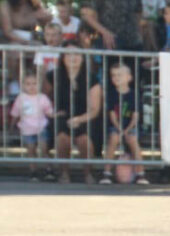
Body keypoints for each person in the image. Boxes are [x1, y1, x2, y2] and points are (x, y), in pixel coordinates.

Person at [51, 46, 101, 184]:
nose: (73, 57)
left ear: (83, 57)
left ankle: (88, 173)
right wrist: (53, 113)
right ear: (63, 58)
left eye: (77, 54)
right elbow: (43, 99)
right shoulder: (54, 76)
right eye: (69, 54)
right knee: (62, 137)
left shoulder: (92, 78)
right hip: (62, 117)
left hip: (85, 117)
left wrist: (79, 119)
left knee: (83, 139)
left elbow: (95, 109)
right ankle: (64, 173)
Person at [100, 62, 147, 185]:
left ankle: (140, 174)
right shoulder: (111, 94)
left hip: (131, 126)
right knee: (114, 138)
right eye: (113, 75)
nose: (116, 78)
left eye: (120, 75)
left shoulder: (134, 94)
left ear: (129, 77)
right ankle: (107, 173)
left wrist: (126, 130)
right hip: (116, 126)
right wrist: (120, 129)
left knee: (132, 139)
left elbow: (135, 116)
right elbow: (112, 115)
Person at [10, 71, 53, 182]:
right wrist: (11, 126)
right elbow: (15, 113)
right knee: (31, 151)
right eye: (28, 84)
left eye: (34, 83)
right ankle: (33, 171)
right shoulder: (21, 98)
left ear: (39, 85)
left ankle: (48, 170)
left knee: (44, 150)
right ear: (23, 86)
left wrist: (55, 114)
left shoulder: (42, 97)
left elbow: (49, 111)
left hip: (41, 127)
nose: (32, 86)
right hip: (27, 129)